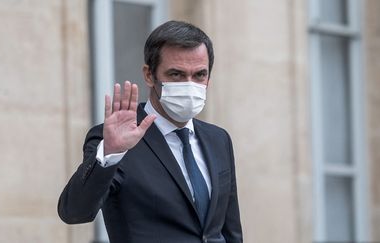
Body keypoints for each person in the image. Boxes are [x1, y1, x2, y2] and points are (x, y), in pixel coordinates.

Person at [58, 20, 243, 243]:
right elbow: (74, 211)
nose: (189, 84)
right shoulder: (117, 140)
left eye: (199, 75)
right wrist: (111, 152)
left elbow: (229, 229)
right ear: (149, 75)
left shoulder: (218, 139)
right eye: (176, 74)